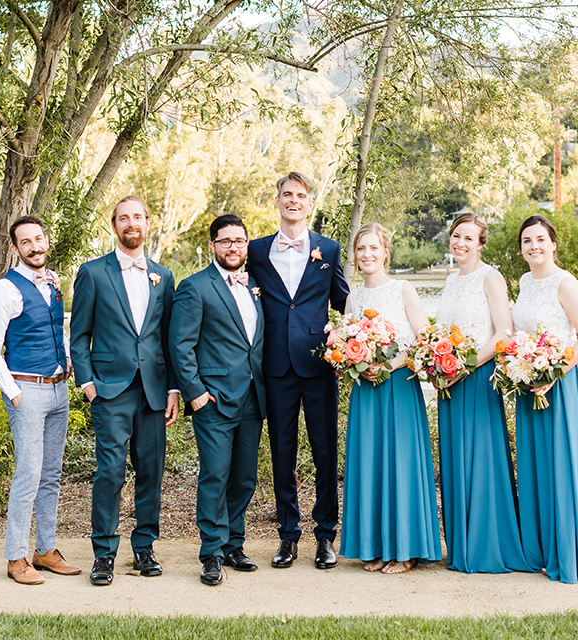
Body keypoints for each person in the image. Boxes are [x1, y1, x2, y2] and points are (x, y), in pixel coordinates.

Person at [69, 196, 179, 586]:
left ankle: (145, 547)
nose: (131, 223)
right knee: (110, 473)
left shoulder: (163, 276)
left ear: (147, 222)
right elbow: (79, 334)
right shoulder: (93, 273)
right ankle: (104, 554)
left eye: (137, 216)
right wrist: (88, 385)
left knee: (151, 472)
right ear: (114, 225)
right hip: (110, 392)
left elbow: (169, 338)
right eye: (123, 218)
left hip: (153, 391)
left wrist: (173, 388)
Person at [246, 172, 350, 570]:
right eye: (286, 195)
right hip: (275, 366)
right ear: (277, 202)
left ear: (310, 203)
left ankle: (326, 535)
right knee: (281, 453)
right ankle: (288, 536)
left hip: (319, 365)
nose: (293, 200)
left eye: (300, 195)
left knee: (325, 453)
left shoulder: (329, 249)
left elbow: (344, 302)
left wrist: (353, 333)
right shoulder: (255, 250)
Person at [0, 216, 80, 585]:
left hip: (58, 388)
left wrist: (68, 365)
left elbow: (58, 331)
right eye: (26, 242)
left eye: (39, 239)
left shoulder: (53, 283)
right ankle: (16, 557)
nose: (34, 246)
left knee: (51, 474)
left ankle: (45, 549)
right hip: (27, 390)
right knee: (29, 473)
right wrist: (15, 394)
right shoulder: (3, 290)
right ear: (14, 248)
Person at [339, 223, 441, 574]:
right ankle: (376, 546)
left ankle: (406, 549)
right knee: (370, 462)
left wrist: (389, 366)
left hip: (398, 387)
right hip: (366, 392)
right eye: (360, 249)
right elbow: (343, 342)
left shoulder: (403, 289)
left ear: (385, 252)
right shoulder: (353, 297)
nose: (366, 254)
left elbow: (423, 339)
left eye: (373, 248)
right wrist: (357, 361)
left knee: (401, 464)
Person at [434, 213, 533, 574]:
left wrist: (465, 365)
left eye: (468, 238)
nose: (460, 243)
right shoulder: (450, 280)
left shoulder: (490, 278)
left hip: (477, 378)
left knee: (481, 456)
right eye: (456, 236)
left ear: (480, 243)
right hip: (449, 382)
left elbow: (504, 332)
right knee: (456, 459)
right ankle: (460, 547)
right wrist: (438, 365)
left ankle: (488, 546)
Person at [170, 214, 266, 586]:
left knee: (244, 478)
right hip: (213, 401)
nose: (233, 247)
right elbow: (181, 346)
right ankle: (210, 552)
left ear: (246, 245)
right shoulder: (195, 287)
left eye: (239, 241)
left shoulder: (254, 285)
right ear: (212, 245)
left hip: (253, 399)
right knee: (214, 476)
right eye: (225, 241)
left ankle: (233, 543)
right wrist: (195, 394)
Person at [512, 214, 578, 584]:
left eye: (540, 239)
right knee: (536, 466)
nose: (533, 246)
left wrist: (553, 374)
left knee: (560, 465)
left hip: (559, 384)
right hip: (529, 385)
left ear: (553, 243)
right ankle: (540, 549)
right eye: (527, 241)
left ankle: (568, 553)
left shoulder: (565, 283)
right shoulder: (524, 281)